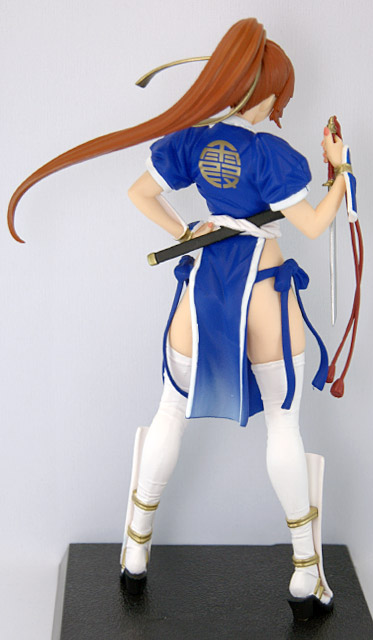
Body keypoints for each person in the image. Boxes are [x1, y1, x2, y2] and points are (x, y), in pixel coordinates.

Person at [8, 18, 351, 621]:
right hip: (263, 289)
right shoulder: (269, 153)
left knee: (169, 410)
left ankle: (134, 555)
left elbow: (139, 193)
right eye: (279, 94)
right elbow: (318, 225)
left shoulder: (192, 143)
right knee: (284, 424)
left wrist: (185, 232)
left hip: (204, 287)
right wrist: (340, 171)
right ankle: (305, 574)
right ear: (268, 93)